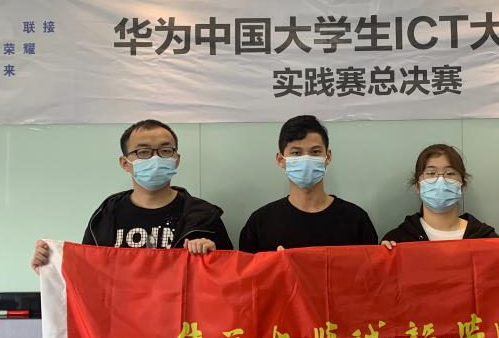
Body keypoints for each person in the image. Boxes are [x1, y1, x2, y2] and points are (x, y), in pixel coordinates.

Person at [30, 119, 232, 271]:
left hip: (183, 315)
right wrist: (50, 268)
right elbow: (88, 274)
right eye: (143, 152)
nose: (155, 158)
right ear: (125, 163)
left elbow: (229, 278)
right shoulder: (106, 215)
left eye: (165, 150)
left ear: (176, 159)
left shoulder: (204, 216)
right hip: (121, 314)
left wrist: (214, 256)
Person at [238, 115, 378, 252]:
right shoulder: (260, 223)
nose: (306, 160)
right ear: (281, 160)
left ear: (328, 157)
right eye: (296, 153)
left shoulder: (356, 220)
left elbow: (372, 265)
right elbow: (246, 267)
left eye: (315, 152)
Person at [382, 143, 499, 243]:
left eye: (450, 173)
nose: (441, 181)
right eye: (431, 173)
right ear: (417, 186)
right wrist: (385, 255)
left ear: (462, 185)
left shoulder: (486, 239)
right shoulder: (397, 240)